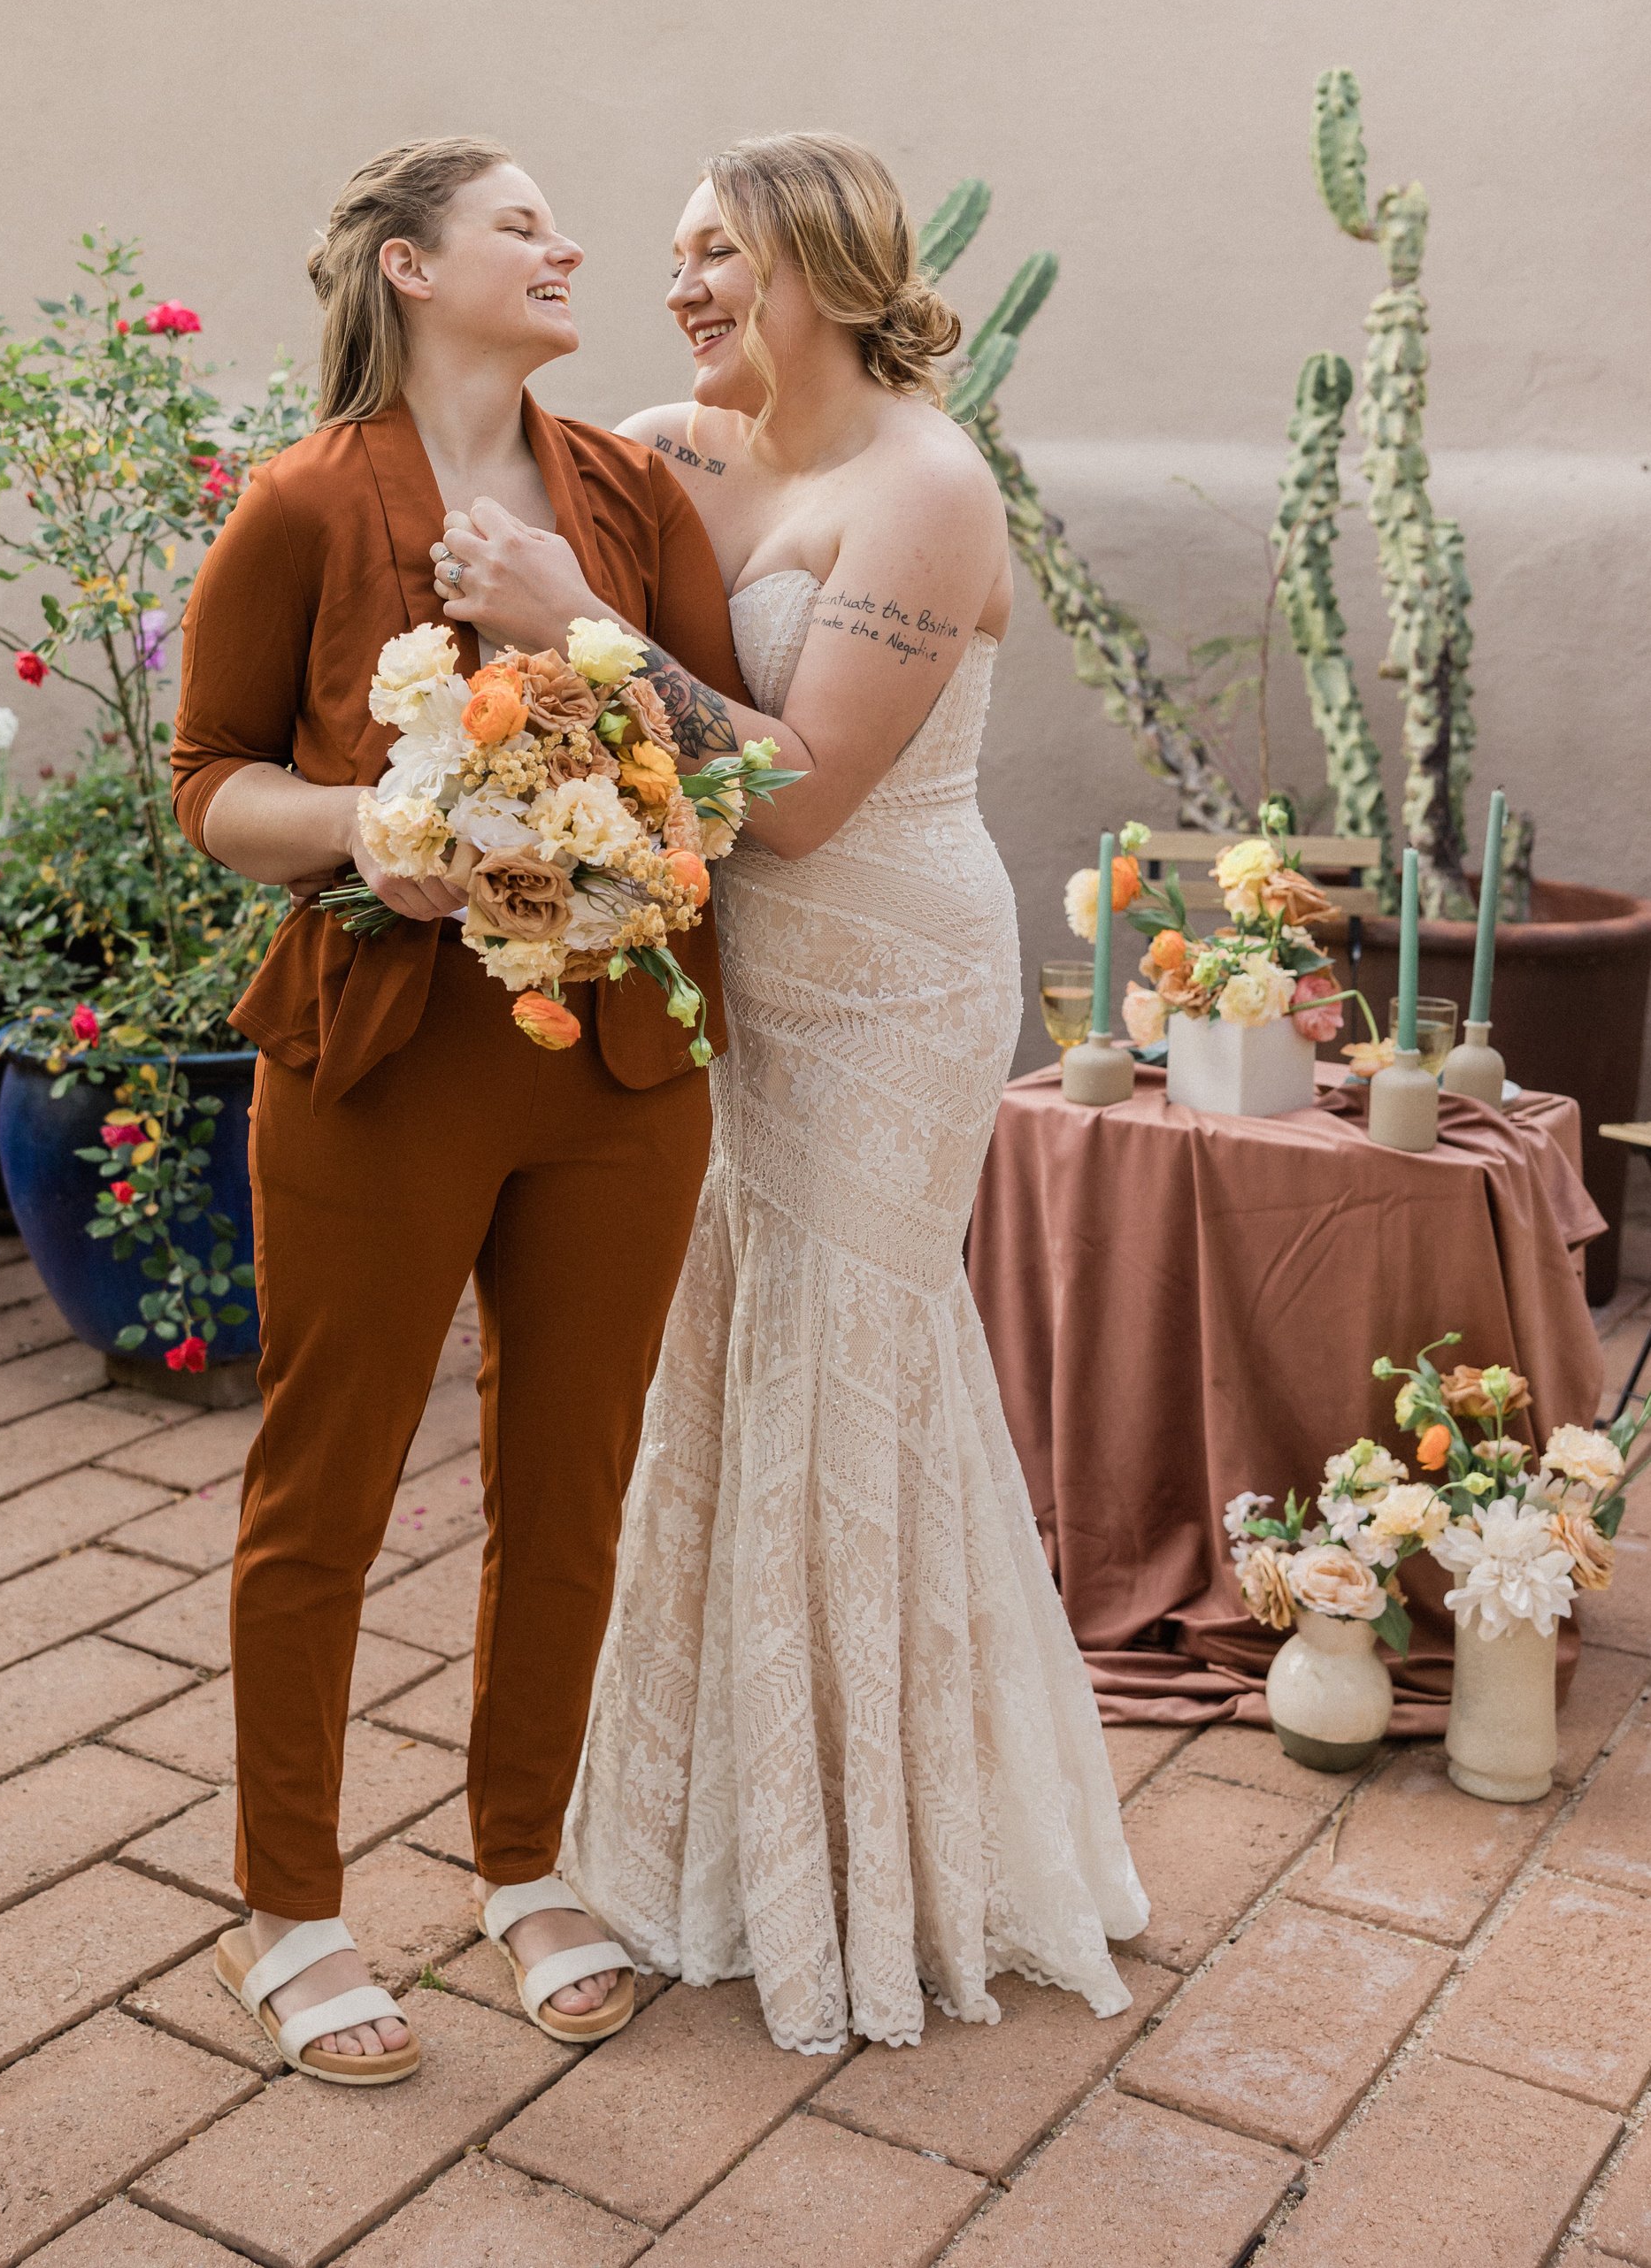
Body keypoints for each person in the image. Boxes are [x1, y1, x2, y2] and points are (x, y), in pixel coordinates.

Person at [431, 131, 1148, 2055]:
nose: (676, 286)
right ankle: (713, 1821)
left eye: (712, 253)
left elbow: (808, 788)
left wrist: (567, 638)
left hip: (891, 977)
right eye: (666, 254)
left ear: (820, 269)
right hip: (722, 976)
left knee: (854, 1359)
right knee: (725, 1346)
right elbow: (481, 501)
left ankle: (883, 1860)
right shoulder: (680, 443)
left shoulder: (924, 487)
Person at [170, 136, 749, 2080]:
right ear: (411, 269)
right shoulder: (304, 505)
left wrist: (575, 610)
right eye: (521, 222)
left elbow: (719, 761)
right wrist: (371, 825)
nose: (566, 243)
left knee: (568, 1481)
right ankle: (290, 1908)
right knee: (321, 1486)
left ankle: (523, 1861)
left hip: (622, 1065)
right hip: (383, 1052)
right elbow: (209, 779)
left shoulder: (629, 491)